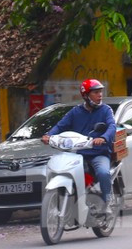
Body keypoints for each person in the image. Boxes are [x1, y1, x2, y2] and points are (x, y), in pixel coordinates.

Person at [42, 78, 116, 213]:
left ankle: (108, 201)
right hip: (78, 154)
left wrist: (103, 138)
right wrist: (49, 135)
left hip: (98, 153)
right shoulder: (75, 112)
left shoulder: (106, 110)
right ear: (86, 95)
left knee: (103, 173)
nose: (100, 95)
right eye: (96, 92)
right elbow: (60, 126)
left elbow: (112, 126)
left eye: (100, 92)